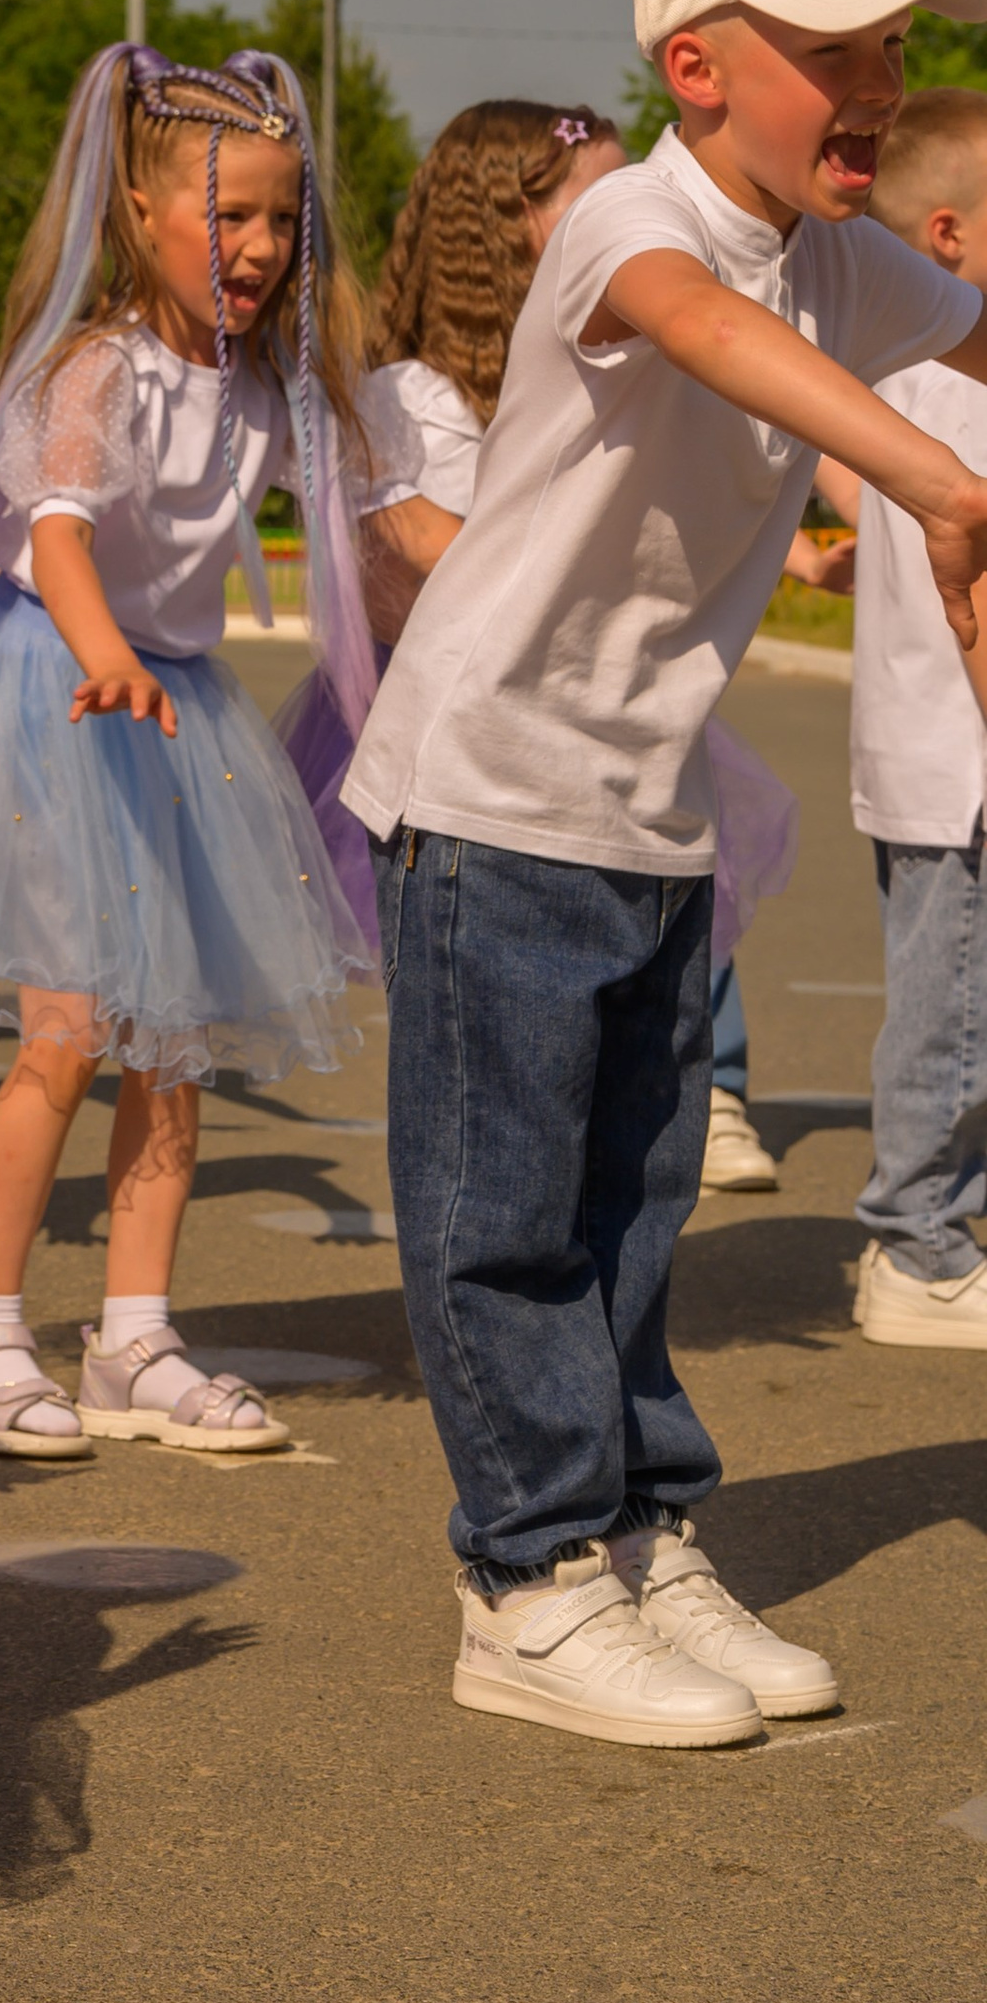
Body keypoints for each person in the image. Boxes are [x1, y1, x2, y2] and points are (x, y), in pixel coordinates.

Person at [345, 0, 987, 1748]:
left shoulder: (844, 253)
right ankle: (525, 1575)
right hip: (492, 784)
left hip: (647, 798)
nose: (872, 77)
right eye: (828, 45)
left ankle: (638, 1531)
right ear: (695, 62)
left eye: (889, 41)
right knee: (502, 1210)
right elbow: (704, 330)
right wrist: (940, 491)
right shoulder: (632, 215)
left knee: (635, 1205)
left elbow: (966, 330)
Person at [0, 49, 436, 1457]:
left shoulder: (270, 387)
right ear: (142, 213)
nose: (261, 246)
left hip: (177, 708)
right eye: (231, 215)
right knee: (70, 1028)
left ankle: (136, 1334)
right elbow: (59, 530)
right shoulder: (99, 368)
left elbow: (372, 538)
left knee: (176, 1044)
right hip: (63, 692)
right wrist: (97, 651)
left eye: (282, 218)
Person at [360, 98, 807, 1198]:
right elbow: (433, 543)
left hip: (607, 693)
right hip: (484, 720)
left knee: (678, 868)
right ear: (501, 222)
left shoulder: (615, 346)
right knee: (508, 1033)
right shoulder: (412, 393)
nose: (637, 211)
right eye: (596, 194)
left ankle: (721, 1085)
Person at [799, 88, 987, 1348]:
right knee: (951, 1009)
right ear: (946, 238)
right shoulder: (948, 374)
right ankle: (914, 1243)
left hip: (926, 751)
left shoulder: (888, 373)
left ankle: (935, 1227)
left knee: (956, 1000)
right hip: (954, 757)